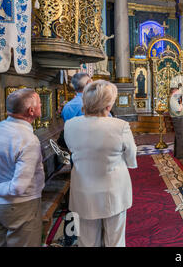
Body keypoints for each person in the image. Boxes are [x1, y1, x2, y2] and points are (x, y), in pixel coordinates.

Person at [64, 80, 137, 247]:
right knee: (115, 239)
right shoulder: (120, 126)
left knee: (87, 240)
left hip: (82, 188)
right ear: (108, 105)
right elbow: (131, 155)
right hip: (113, 189)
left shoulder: (70, 125)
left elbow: (72, 149)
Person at [0, 88, 44, 247]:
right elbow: (18, 187)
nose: (41, 105)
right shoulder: (28, 140)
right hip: (20, 206)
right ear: (31, 111)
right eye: (39, 103)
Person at [169, 87, 183, 159]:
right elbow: (179, 109)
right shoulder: (173, 99)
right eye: (177, 92)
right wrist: (182, 105)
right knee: (180, 136)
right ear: (174, 92)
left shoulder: (174, 98)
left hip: (177, 118)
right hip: (177, 119)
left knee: (178, 136)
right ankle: (180, 154)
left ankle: (177, 153)